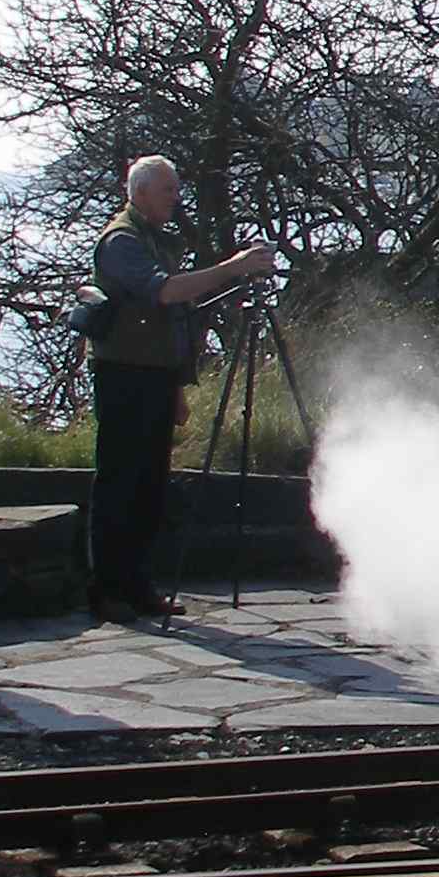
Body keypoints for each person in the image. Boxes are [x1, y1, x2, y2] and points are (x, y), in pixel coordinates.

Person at [87, 156, 273, 618]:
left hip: (153, 372)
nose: (176, 199)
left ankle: (138, 584)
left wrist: (176, 386)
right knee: (119, 481)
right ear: (142, 193)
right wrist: (233, 267)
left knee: (150, 483)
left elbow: (170, 321)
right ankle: (108, 589)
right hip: (123, 373)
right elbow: (166, 293)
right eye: (168, 190)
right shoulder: (122, 240)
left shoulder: (153, 237)